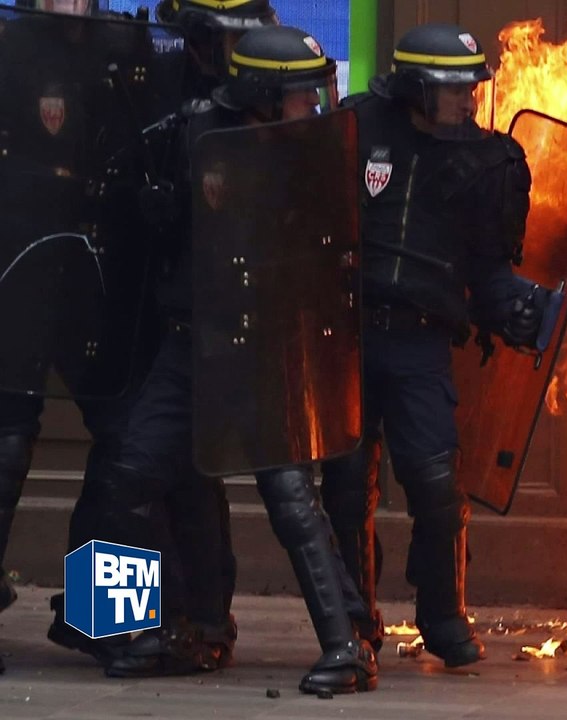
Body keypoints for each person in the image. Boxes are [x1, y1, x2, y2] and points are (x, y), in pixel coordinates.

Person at [90, 25, 379, 694]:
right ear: (261, 94)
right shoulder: (187, 134)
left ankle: (347, 648)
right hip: (193, 340)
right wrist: (156, 211)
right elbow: (134, 222)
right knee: (124, 477)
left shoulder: (309, 150)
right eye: (300, 96)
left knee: (290, 499)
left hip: (267, 338)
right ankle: (139, 629)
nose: (313, 107)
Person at [44, 0, 282, 677]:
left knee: (168, 467)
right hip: (115, 305)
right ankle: (124, 619)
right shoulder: (138, 83)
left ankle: (184, 618)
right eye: (228, 38)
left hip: (186, 318)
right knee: (137, 463)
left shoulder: (242, 107)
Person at [324, 22, 549, 668]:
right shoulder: (354, 130)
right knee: (343, 484)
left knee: (433, 481)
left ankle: (443, 614)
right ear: (419, 87)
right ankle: (354, 620)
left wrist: (518, 309)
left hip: (422, 342)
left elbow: (489, 265)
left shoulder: (488, 161)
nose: (469, 100)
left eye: (473, 87)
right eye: (455, 89)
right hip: (350, 336)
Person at [0, 0, 177, 672]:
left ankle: (105, 617)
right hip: (15, 265)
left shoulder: (132, 49)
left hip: (99, 275)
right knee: (7, 443)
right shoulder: (10, 46)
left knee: (129, 442)